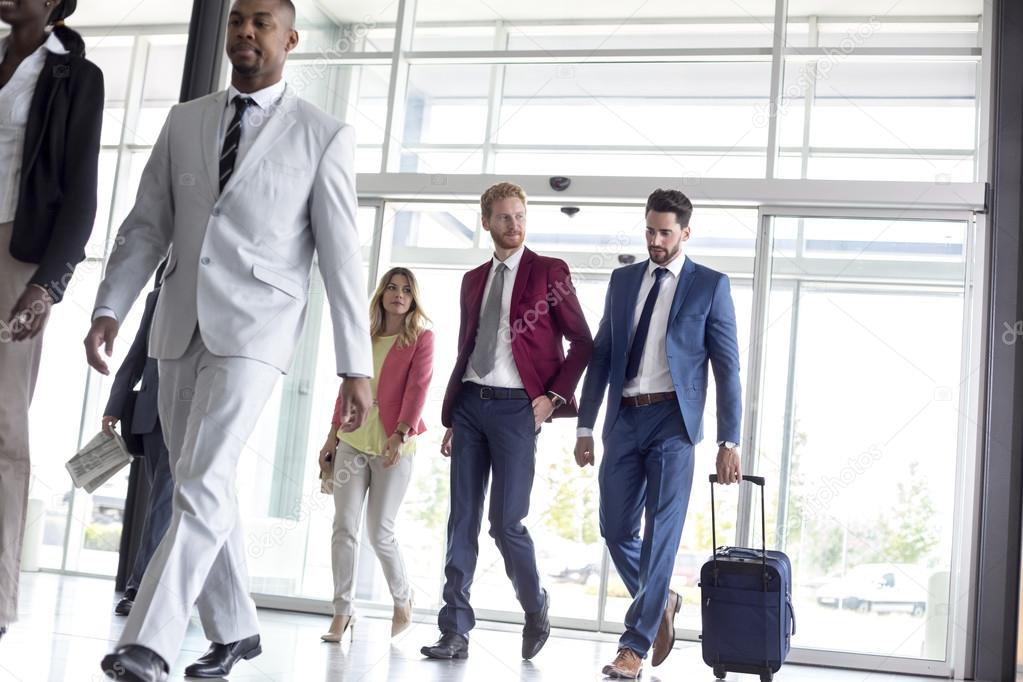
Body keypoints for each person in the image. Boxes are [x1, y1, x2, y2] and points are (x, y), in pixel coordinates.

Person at [84, 1, 373, 680]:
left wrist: (353, 365)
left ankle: (148, 642)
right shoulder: (186, 121)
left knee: (204, 476)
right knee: (197, 480)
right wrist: (110, 308)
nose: (245, 30)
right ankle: (237, 628)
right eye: (237, 18)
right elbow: (147, 223)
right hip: (179, 320)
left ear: (290, 38)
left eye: (261, 22)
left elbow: (340, 256)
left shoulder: (322, 134)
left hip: (257, 330)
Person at [574, 189, 743, 679]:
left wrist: (729, 442)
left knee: (661, 533)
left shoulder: (710, 285)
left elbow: (727, 368)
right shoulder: (624, 281)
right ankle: (662, 597)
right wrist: (585, 424)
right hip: (624, 417)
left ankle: (634, 645)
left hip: (674, 423)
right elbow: (603, 354)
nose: (655, 240)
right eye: (650, 230)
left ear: (685, 233)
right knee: (615, 527)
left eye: (665, 232)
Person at [421, 182, 593, 662]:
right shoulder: (473, 279)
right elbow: (468, 346)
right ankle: (454, 630)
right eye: (504, 217)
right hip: (471, 405)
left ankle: (535, 604)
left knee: (505, 523)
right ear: (487, 222)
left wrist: (553, 398)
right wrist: (454, 412)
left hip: (520, 408)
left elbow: (583, 342)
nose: (514, 224)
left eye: (520, 216)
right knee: (462, 520)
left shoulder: (548, 271)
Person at [0, 0, 103, 644]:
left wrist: (48, 283)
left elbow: (81, 188)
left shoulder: (73, 76)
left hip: (18, 255)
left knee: (4, 425)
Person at [318, 267, 434, 643]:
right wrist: (331, 438)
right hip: (353, 441)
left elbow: (418, 389)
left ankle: (403, 598)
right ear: (382, 294)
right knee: (343, 527)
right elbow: (346, 394)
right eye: (392, 288)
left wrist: (400, 433)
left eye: (406, 290)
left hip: (393, 445)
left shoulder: (421, 338)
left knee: (380, 531)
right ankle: (342, 611)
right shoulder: (362, 337)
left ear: (413, 298)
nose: (398, 295)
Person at [101, 263, 172, 618]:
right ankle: (175, 588)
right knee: (166, 506)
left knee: (164, 502)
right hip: (150, 417)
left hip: (190, 417)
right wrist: (115, 404)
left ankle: (140, 585)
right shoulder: (157, 299)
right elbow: (137, 354)